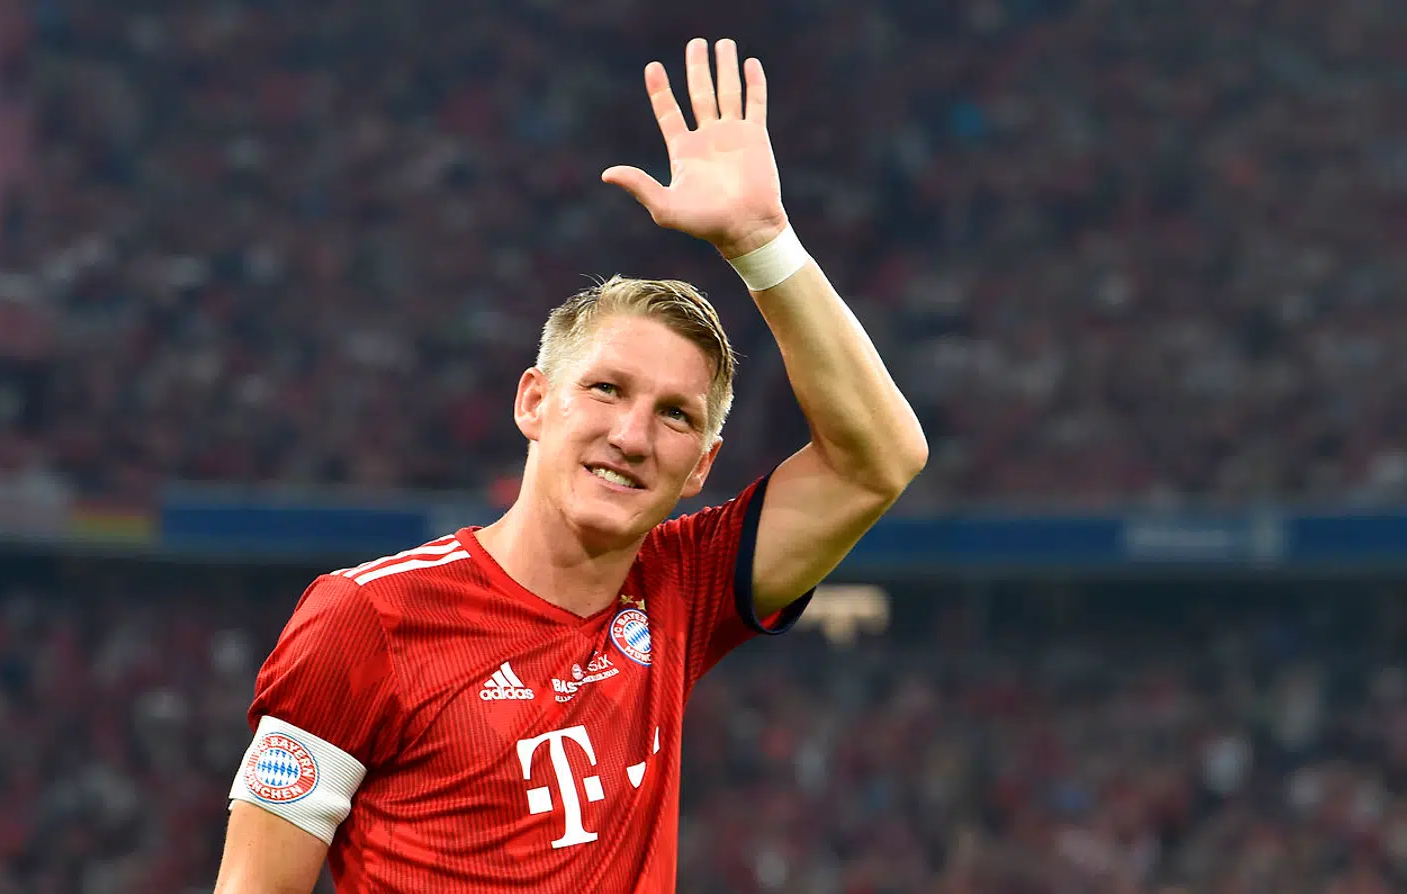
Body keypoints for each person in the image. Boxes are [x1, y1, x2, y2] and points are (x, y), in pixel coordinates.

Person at [213, 37, 927, 893]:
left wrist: (762, 243)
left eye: (674, 417)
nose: (632, 435)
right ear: (532, 403)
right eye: (606, 390)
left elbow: (879, 461)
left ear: (701, 466)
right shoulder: (364, 619)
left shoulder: (683, 588)